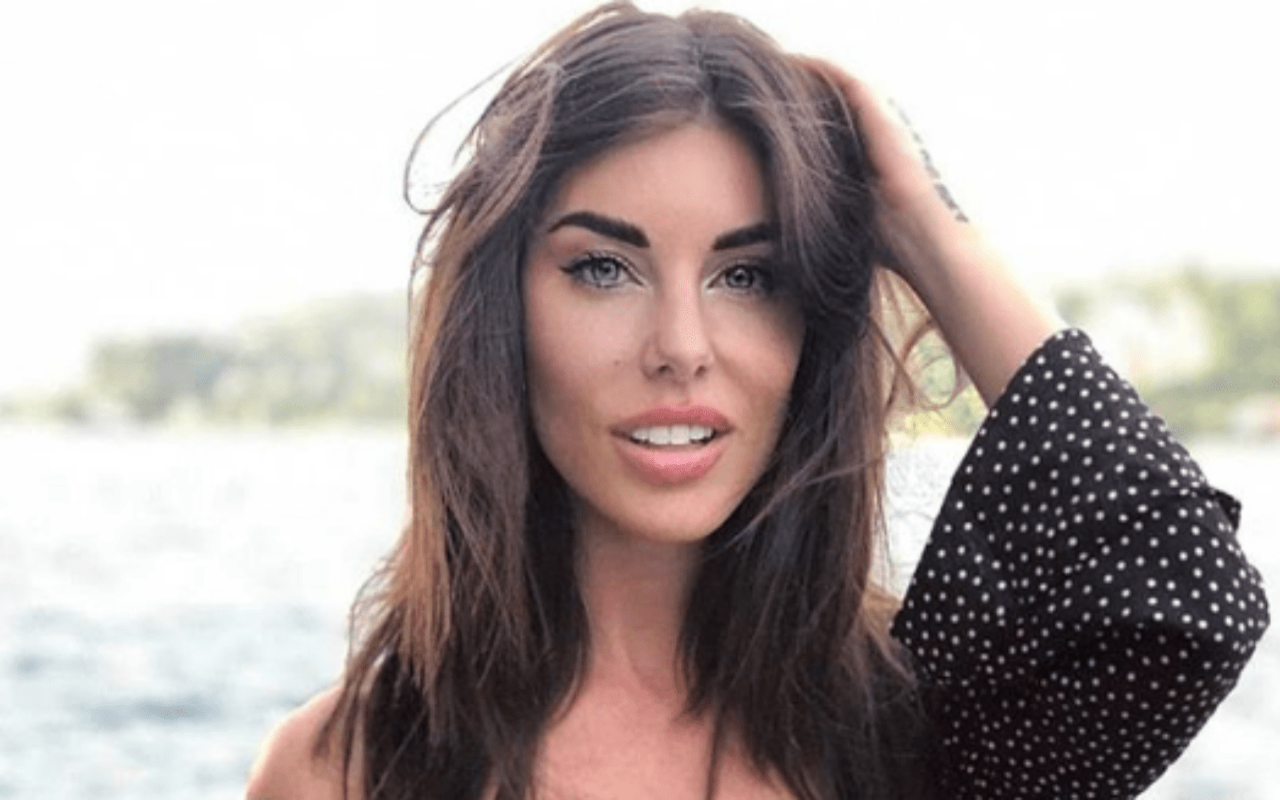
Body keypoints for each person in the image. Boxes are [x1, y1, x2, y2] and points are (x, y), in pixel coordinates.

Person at [245, 3, 1269, 799]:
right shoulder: (350, 768)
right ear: (501, 312)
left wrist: (924, 227)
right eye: (603, 268)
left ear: (808, 327)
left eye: (747, 275)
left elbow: (1186, 595)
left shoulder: (919, 734)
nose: (681, 349)